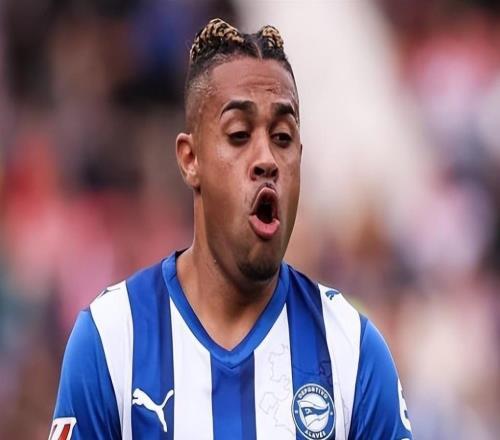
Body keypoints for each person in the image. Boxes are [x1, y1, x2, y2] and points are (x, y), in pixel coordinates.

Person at [50, 18, 413, 440]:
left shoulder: (352, 349)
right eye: (239, 135)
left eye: (282, 137)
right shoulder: (113, 337)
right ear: (190, 159)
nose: (267, 160)